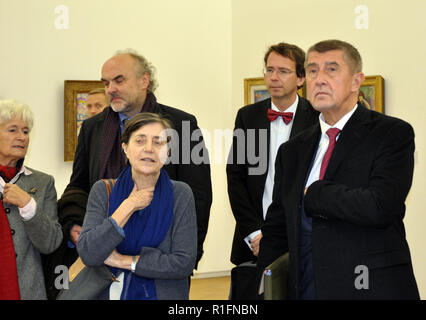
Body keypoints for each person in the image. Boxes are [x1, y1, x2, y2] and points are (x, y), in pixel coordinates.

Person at [258, 40, 419, 299]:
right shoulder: (292, 151)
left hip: (369, 287)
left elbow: (380, 206)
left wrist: (315, 194)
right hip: (307, 288)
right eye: (312, 71)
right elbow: (278, 228)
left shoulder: (392, 134)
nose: (319, 79)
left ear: (357, 81)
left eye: (331, 70)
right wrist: (263, 286)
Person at [44, 49, 212, 299]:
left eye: (119, 80)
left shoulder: (182, 124)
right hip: (102, 262)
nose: (110, 88)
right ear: (125, 147)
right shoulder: (92, 128)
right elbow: (79, 185)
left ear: (144, 81)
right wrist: (75, 225)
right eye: (105, 82)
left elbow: (198, 195)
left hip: (161, 266)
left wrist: (185, 258)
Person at [226, 42, 318, 298]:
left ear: (301, 78)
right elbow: (235, 178)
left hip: (299, 237)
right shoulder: (248, 116)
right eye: (269, 70)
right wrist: (255, 233)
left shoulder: (316, 117)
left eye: (283, 71)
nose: (274, 77)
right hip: (252, 240)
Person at [77, 112, 197, 299]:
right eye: (140, 141)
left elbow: (183, 263)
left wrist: (122, 260)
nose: (149, 149)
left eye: (158, 142)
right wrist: (128, 206)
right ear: (125, 148)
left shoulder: (180, 194)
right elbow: (90, 254)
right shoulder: (103, 190)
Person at [0, 99, 62, 300]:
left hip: (28, 293)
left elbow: (51, 243)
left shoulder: (43, 182)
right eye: (13, 130)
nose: (21, 137)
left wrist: (28, 205)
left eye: (25, 132)